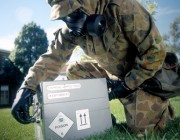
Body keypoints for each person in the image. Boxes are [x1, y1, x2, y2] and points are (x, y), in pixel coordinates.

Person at [11, 0, 174, 134]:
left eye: (73, 13)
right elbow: (51, 60)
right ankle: (101, 117)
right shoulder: (69, 31)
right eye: (64, 16)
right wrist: (27, 88)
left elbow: (155, 52)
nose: (70, 21)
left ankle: (161, 106)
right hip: (114, 77)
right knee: (75, 70)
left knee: (143, 133)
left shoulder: (123, 8)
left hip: (144, 79)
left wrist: (127, 85)